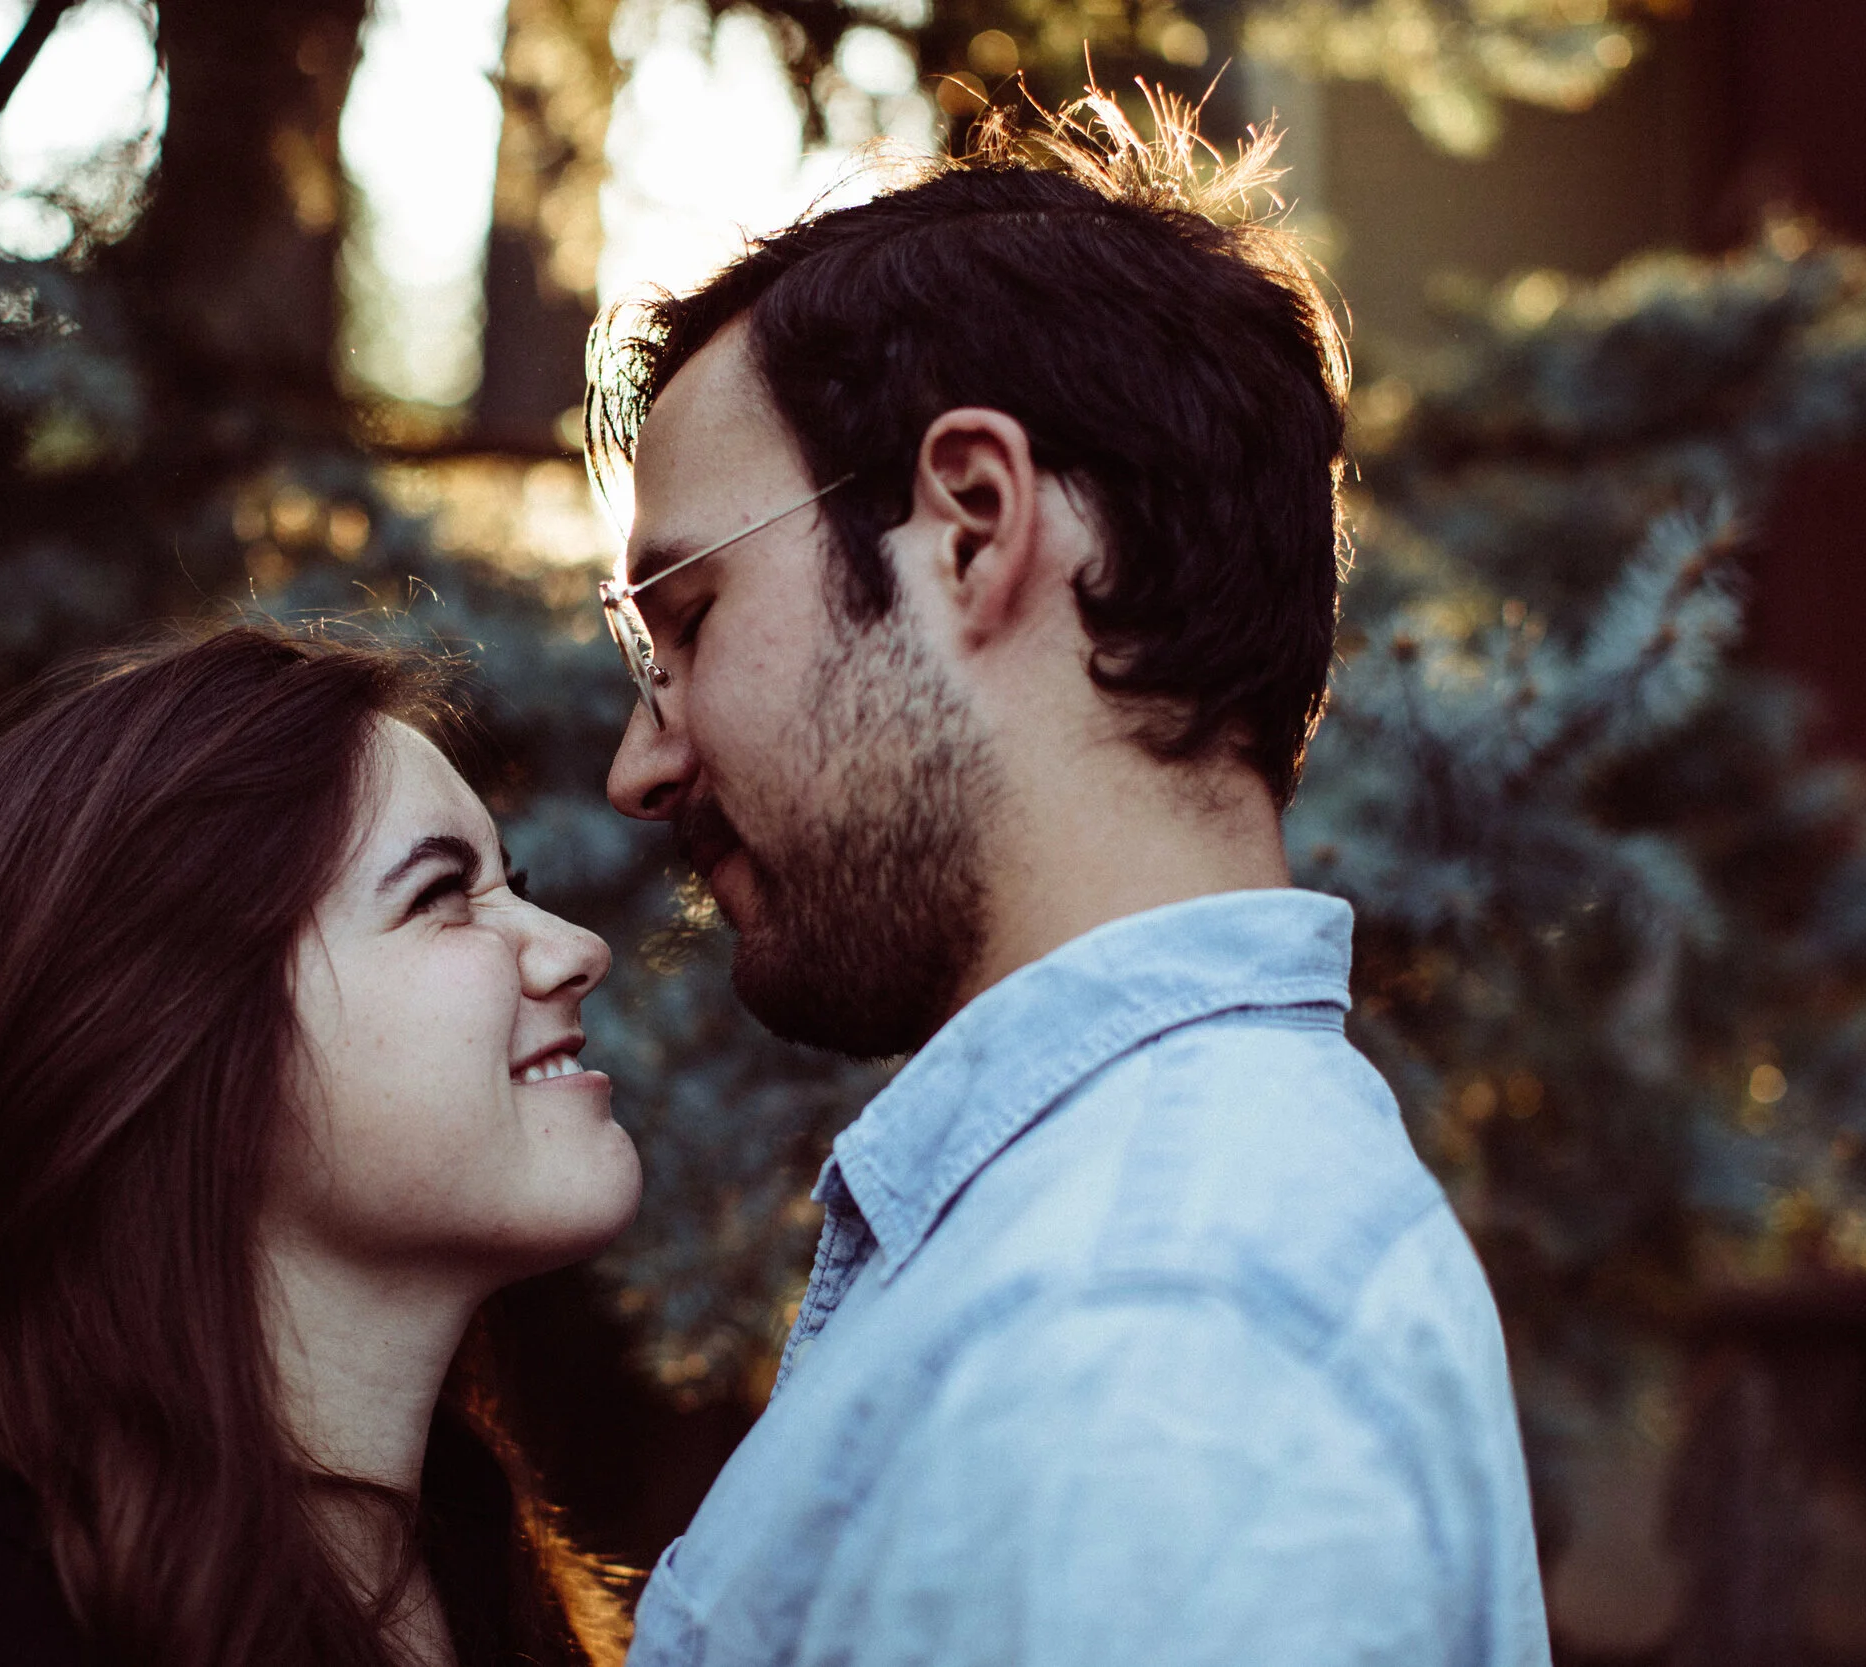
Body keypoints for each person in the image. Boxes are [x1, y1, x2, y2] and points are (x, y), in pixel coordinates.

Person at [587, 93, 1550, 1665]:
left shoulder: (1152, 1340)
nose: (641, 762)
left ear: (970, 525)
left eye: (688, 619)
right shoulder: (1140, 1251)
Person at [0, 625, 639, 1667]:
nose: (576, 948)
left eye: (508, 882)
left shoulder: (487, 1580)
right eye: (442, 895)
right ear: (165, 1042)